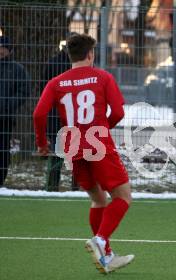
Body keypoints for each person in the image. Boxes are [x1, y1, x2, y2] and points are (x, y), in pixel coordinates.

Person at [33, 34, 134, 273]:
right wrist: (102, 128)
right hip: (98, 144)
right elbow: (118, 112)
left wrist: (41, 143)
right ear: (90, 54)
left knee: (98, 199)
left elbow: (38, 114)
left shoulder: (56, 82)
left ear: (70, 55)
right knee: (123, 197)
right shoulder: (102, 77)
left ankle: (106, 256)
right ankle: (100, 240)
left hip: (73, 146)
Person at [41, 32, 80, 191]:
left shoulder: (81, 65)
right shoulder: (56, 64)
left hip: (71, 116)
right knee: (61, 153)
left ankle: (71, 187)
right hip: (62, 116)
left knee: (74, 154)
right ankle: (57, 186)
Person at [0, 35, 30, 186]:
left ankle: (1, 180)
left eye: (3, 48)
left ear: (9, 50)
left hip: (5, 118)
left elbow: (24, 90)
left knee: (3, 152)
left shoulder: (17, 69)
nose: (1, 51)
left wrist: (8, 105)